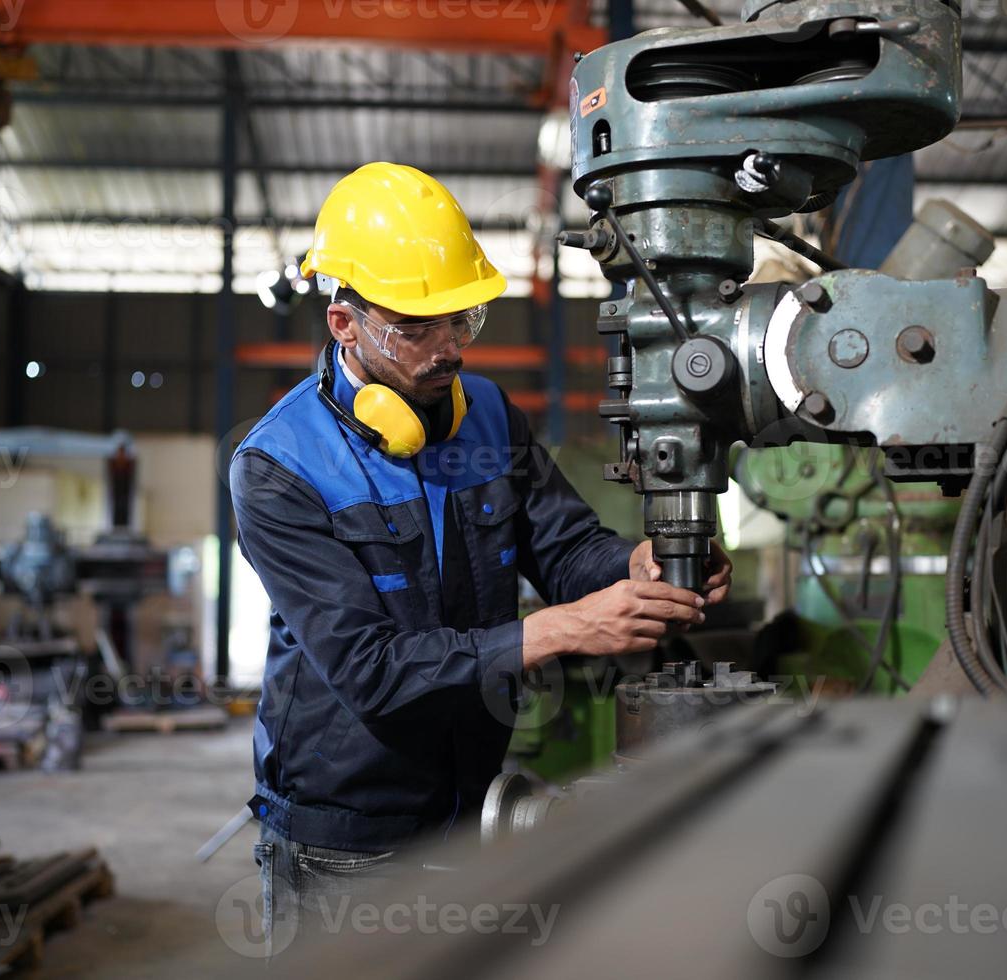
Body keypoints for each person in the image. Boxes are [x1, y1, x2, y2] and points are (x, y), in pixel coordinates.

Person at [229, 162, 732, 954]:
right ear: (343, 324)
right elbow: (371, 668)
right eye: (415, 328)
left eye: (462, 319)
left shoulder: (487, 416)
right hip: (347, 839)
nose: (448, 349)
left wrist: (632, 568)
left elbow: (564, 548)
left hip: (478, 809)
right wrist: (559, 631)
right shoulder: (279, 466)